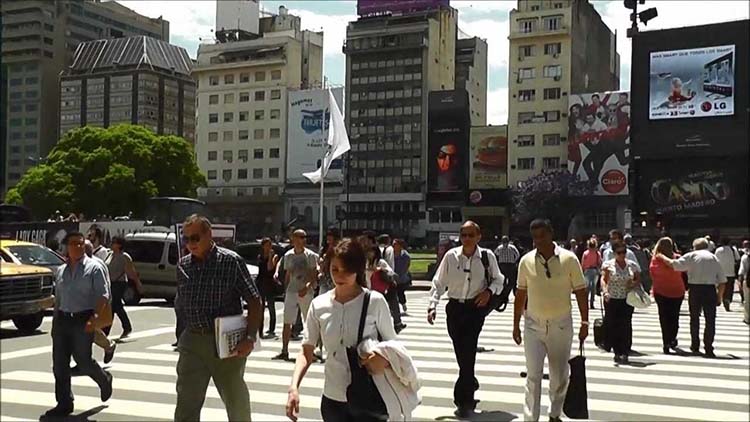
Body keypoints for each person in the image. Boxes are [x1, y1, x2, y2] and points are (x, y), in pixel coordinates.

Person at [287, 239, 415, 422]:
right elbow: (306, 351)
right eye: (335, 269)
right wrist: (294, 387)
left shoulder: (375, 302)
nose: (340, 275)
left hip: (368, 398)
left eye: (347, 270)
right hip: (333, 398)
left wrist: (384, 360)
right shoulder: (319, 305)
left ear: (358, 270)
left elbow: (393, 345)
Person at [174, 214, 262, 421]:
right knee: (186, 401)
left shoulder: (230, 261)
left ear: (209, 234)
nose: (190, 244)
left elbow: (255, 300)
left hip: (225, 341)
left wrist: (250, 337)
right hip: (192, 341)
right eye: (186, 239)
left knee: (235, 400)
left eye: (195, 238)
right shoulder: (183, 265)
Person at [512, 219, 588, 422]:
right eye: (535, 237)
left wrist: (585, 323)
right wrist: (516, 325)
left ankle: (554, 412)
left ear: (551, 234)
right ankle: (531, 418)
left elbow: (581, 291)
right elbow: (521, 293)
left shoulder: (569, 259)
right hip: (533, 325)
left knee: (559, 375)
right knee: (533, 376)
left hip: (560, 325)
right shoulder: (526, 261)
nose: (538, 241)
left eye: (542, 236)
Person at [428, 221, 505, 418]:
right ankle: (470, 381)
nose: (467, 239)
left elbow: (499, 279)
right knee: (461, 353)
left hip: (474, 309)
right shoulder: (451, 256)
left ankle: (464, 401)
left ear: (479, 236)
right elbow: (438, 282)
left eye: (471, 235)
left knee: (469, 352)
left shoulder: (487, 257)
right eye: (464, 235)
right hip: (454, 309)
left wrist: (489, 292)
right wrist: (432, 304)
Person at [45, 232, 113, 418]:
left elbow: (103, 295)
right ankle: (64, 403)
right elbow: (58, 298)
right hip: (63, 320)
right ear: (67, 247)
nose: (78, 247)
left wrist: (95, 316)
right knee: (59, 364)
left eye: (81, 244)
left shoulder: (94, 268)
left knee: (83, 360)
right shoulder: (61, 270)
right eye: (74, 244)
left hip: (83, 319)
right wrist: (55, 321)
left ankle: (104, 379)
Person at [656, 237, 726, 357]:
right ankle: (708, 346)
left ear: (694, 247)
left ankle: (695, 344)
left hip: (695, 289)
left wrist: (662, 256)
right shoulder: (714, 258)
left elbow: (674, 265)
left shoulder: (692, 255)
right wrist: (719, 297)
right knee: (710, 320)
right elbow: (722, 281)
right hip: (710, 290)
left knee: (694, 318)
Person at [274, 229, 319, 361]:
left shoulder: (310, 255)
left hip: (306, 291)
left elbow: (313, 273)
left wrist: (307, 287)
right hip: (292, 291)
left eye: (304, 237)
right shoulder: (288, 255)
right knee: (287, 322)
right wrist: (286, 288)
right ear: (293, 238)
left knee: (309, 321)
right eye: (300, 237)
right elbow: (288, 274)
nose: (303, 239)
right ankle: (284, 350)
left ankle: (311, 350)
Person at [601, 241, 641, 364]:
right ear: (614, 253)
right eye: (619, 253)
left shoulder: (632, 265)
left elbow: (638, 278)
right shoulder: (608, 265)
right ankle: (617, 351)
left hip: (627, 299)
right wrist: (605, 292)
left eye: (624, 252)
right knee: (613, 325)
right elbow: (604, 280)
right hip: (612, 298)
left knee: (626, 325)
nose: (622, 255)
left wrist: (633, 284)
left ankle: (625, 350)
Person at [649, 237, 686, 354]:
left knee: (663, 317)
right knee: (674, 317)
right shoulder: (678, 258)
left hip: (660, 291)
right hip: (677, 291)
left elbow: (652, 274)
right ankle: (672, 338)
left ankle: (666, 342)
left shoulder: (655, 260)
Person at [104, 236, 143, 339]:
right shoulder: (109, 255)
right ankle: (126, 326)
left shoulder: (124, 256)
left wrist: (137, 283)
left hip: (119, 283)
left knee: (114, 305)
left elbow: (131, 271)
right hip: (110, 283)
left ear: (120, 245)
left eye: (114, 242)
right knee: (116, 306)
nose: (112, 243)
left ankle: (106, 330)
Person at [365, 243, 405, 333]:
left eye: (371, 252)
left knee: (386, 307)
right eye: (368, 252)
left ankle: (396, 323)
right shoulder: (365, 263)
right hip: (368, 290)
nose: (369, 254)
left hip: (380, 291)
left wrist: (380, 270)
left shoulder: (381, 262)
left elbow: (391, 272)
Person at [258, 238, 280, 340]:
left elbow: (270, 268)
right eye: (266, 245)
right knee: (260, 307)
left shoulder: (275, 257)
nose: (268, 247)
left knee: (271, 306)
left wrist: (270, 256)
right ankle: (260, 329)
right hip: (261, 282)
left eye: (270, 245)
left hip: (270, 283)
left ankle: (271, 329)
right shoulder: (260, 256)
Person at [715, 238, 739, 311]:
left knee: (720, 286)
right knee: (729, 287)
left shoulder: (718, 250)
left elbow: (715, 260)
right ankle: (727, 299)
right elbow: (738, 258)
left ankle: (720, 298)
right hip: (730, 272)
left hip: (720, 272)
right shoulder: (733, 249)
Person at [393, 239, 412, 315]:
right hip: (392, 277)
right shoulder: (391, 253)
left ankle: (403, 303)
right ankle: (394, 308)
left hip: (401, 277)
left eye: (396, 244)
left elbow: (406, 266)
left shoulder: (405, 255)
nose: (394, 246)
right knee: (393, 293)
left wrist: (401, 274)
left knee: (400, 292)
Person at [581, 239, 602, 309]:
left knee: (587, 287)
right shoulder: (597, 253)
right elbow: (599, 263)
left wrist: (582, 271)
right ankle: (591, 303)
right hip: (594, 271)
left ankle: (586, 302)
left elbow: (583, 263)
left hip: (587, 271)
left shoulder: (585, 253)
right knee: (593, 287)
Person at [738, 251, 749, 325]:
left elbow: (741, 271)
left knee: (747, 300)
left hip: (748, 280)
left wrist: (740, 282)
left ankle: (747, 318)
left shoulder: (745, 257)